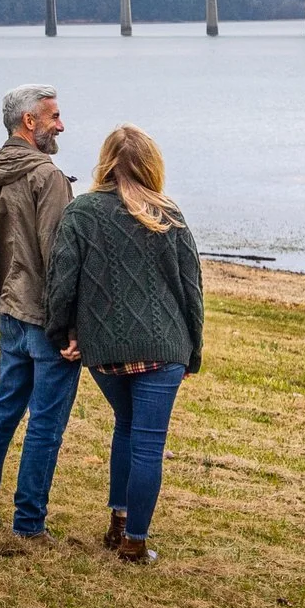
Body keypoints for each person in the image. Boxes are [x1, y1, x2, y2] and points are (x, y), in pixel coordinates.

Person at [45, 124, 204, 565]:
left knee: (126, 427)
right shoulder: (169, 213)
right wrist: (194, 351)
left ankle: (118, 522)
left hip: (106, 351)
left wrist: (63, 333)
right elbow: (192, 288)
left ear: (105, 163)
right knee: (148, 442)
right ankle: (134, 541)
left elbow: (62, 283)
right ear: (152, 165)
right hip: (164, 347)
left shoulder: (82, 213)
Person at [0, 83, 78, 540]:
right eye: (54, 117)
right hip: (44, 318)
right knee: (45, 423)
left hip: (8, 311)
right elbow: (59, 257)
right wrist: (69, 324)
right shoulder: (46, 177)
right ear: (29, 121)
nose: (61, 125)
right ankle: (29, 524)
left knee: (3, 411)